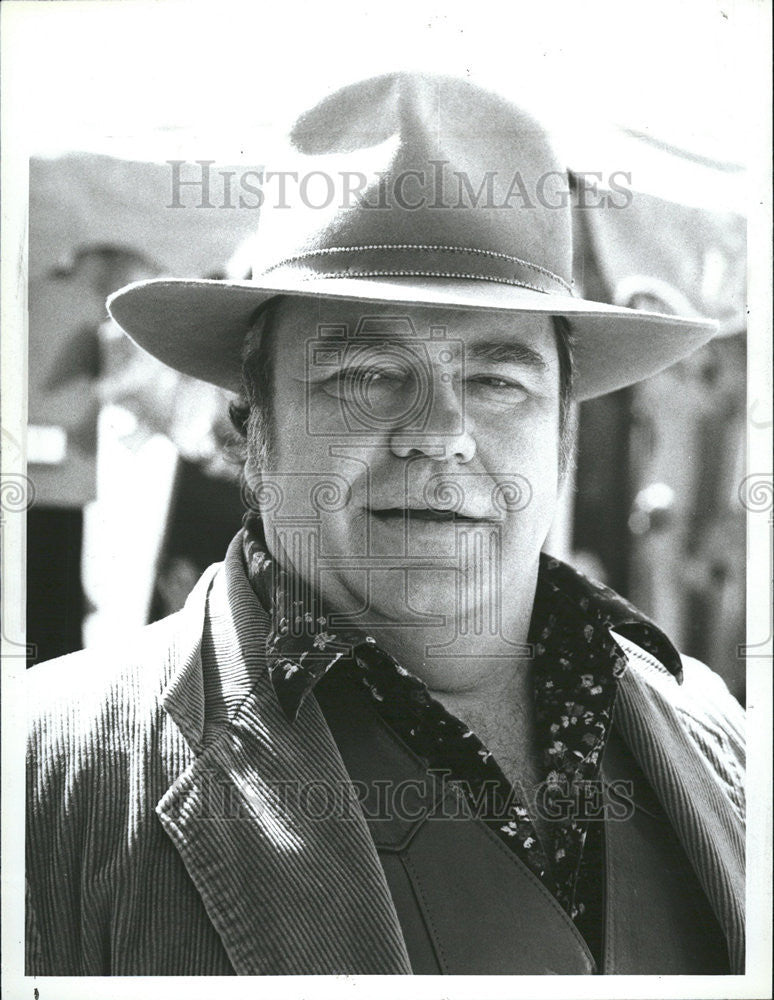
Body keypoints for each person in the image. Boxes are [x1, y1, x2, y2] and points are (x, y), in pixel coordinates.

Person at [26, 73, 744, 976]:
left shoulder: (718, 733)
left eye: (497, 380)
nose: (440, 434)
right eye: (367, 373)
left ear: (563, 428)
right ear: (252, 423)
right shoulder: (46, 777)